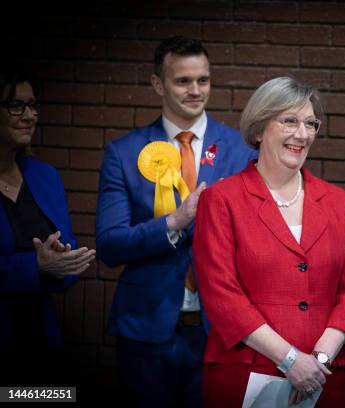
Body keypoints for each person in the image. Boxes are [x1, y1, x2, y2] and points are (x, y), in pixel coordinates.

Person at [96, 36, 256, 407]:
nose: (195, 90)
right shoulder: (123, 153)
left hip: (218, 330)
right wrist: (174, 221)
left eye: (203, 80)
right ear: (158, 84)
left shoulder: (240, 150)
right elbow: (110, 245)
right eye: (183, 81)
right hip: (145, 329)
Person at [192, 77, 345, 407]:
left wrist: (319, 362)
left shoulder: (340, 203)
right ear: (258, 130)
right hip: (245, 373)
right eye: (289, 121)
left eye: (310, 123)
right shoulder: (221, 200)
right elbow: (220, 294)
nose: (302, 134)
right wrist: (291, 360)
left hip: (322, 379)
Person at [0, 70, 96, 386]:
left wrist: (61, 262)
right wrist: (35, 265)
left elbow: (62, 253)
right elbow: (35, 264)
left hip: (41, 340)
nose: (29, 116)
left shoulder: (45, 176)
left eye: (32, 105)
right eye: (16, 106)